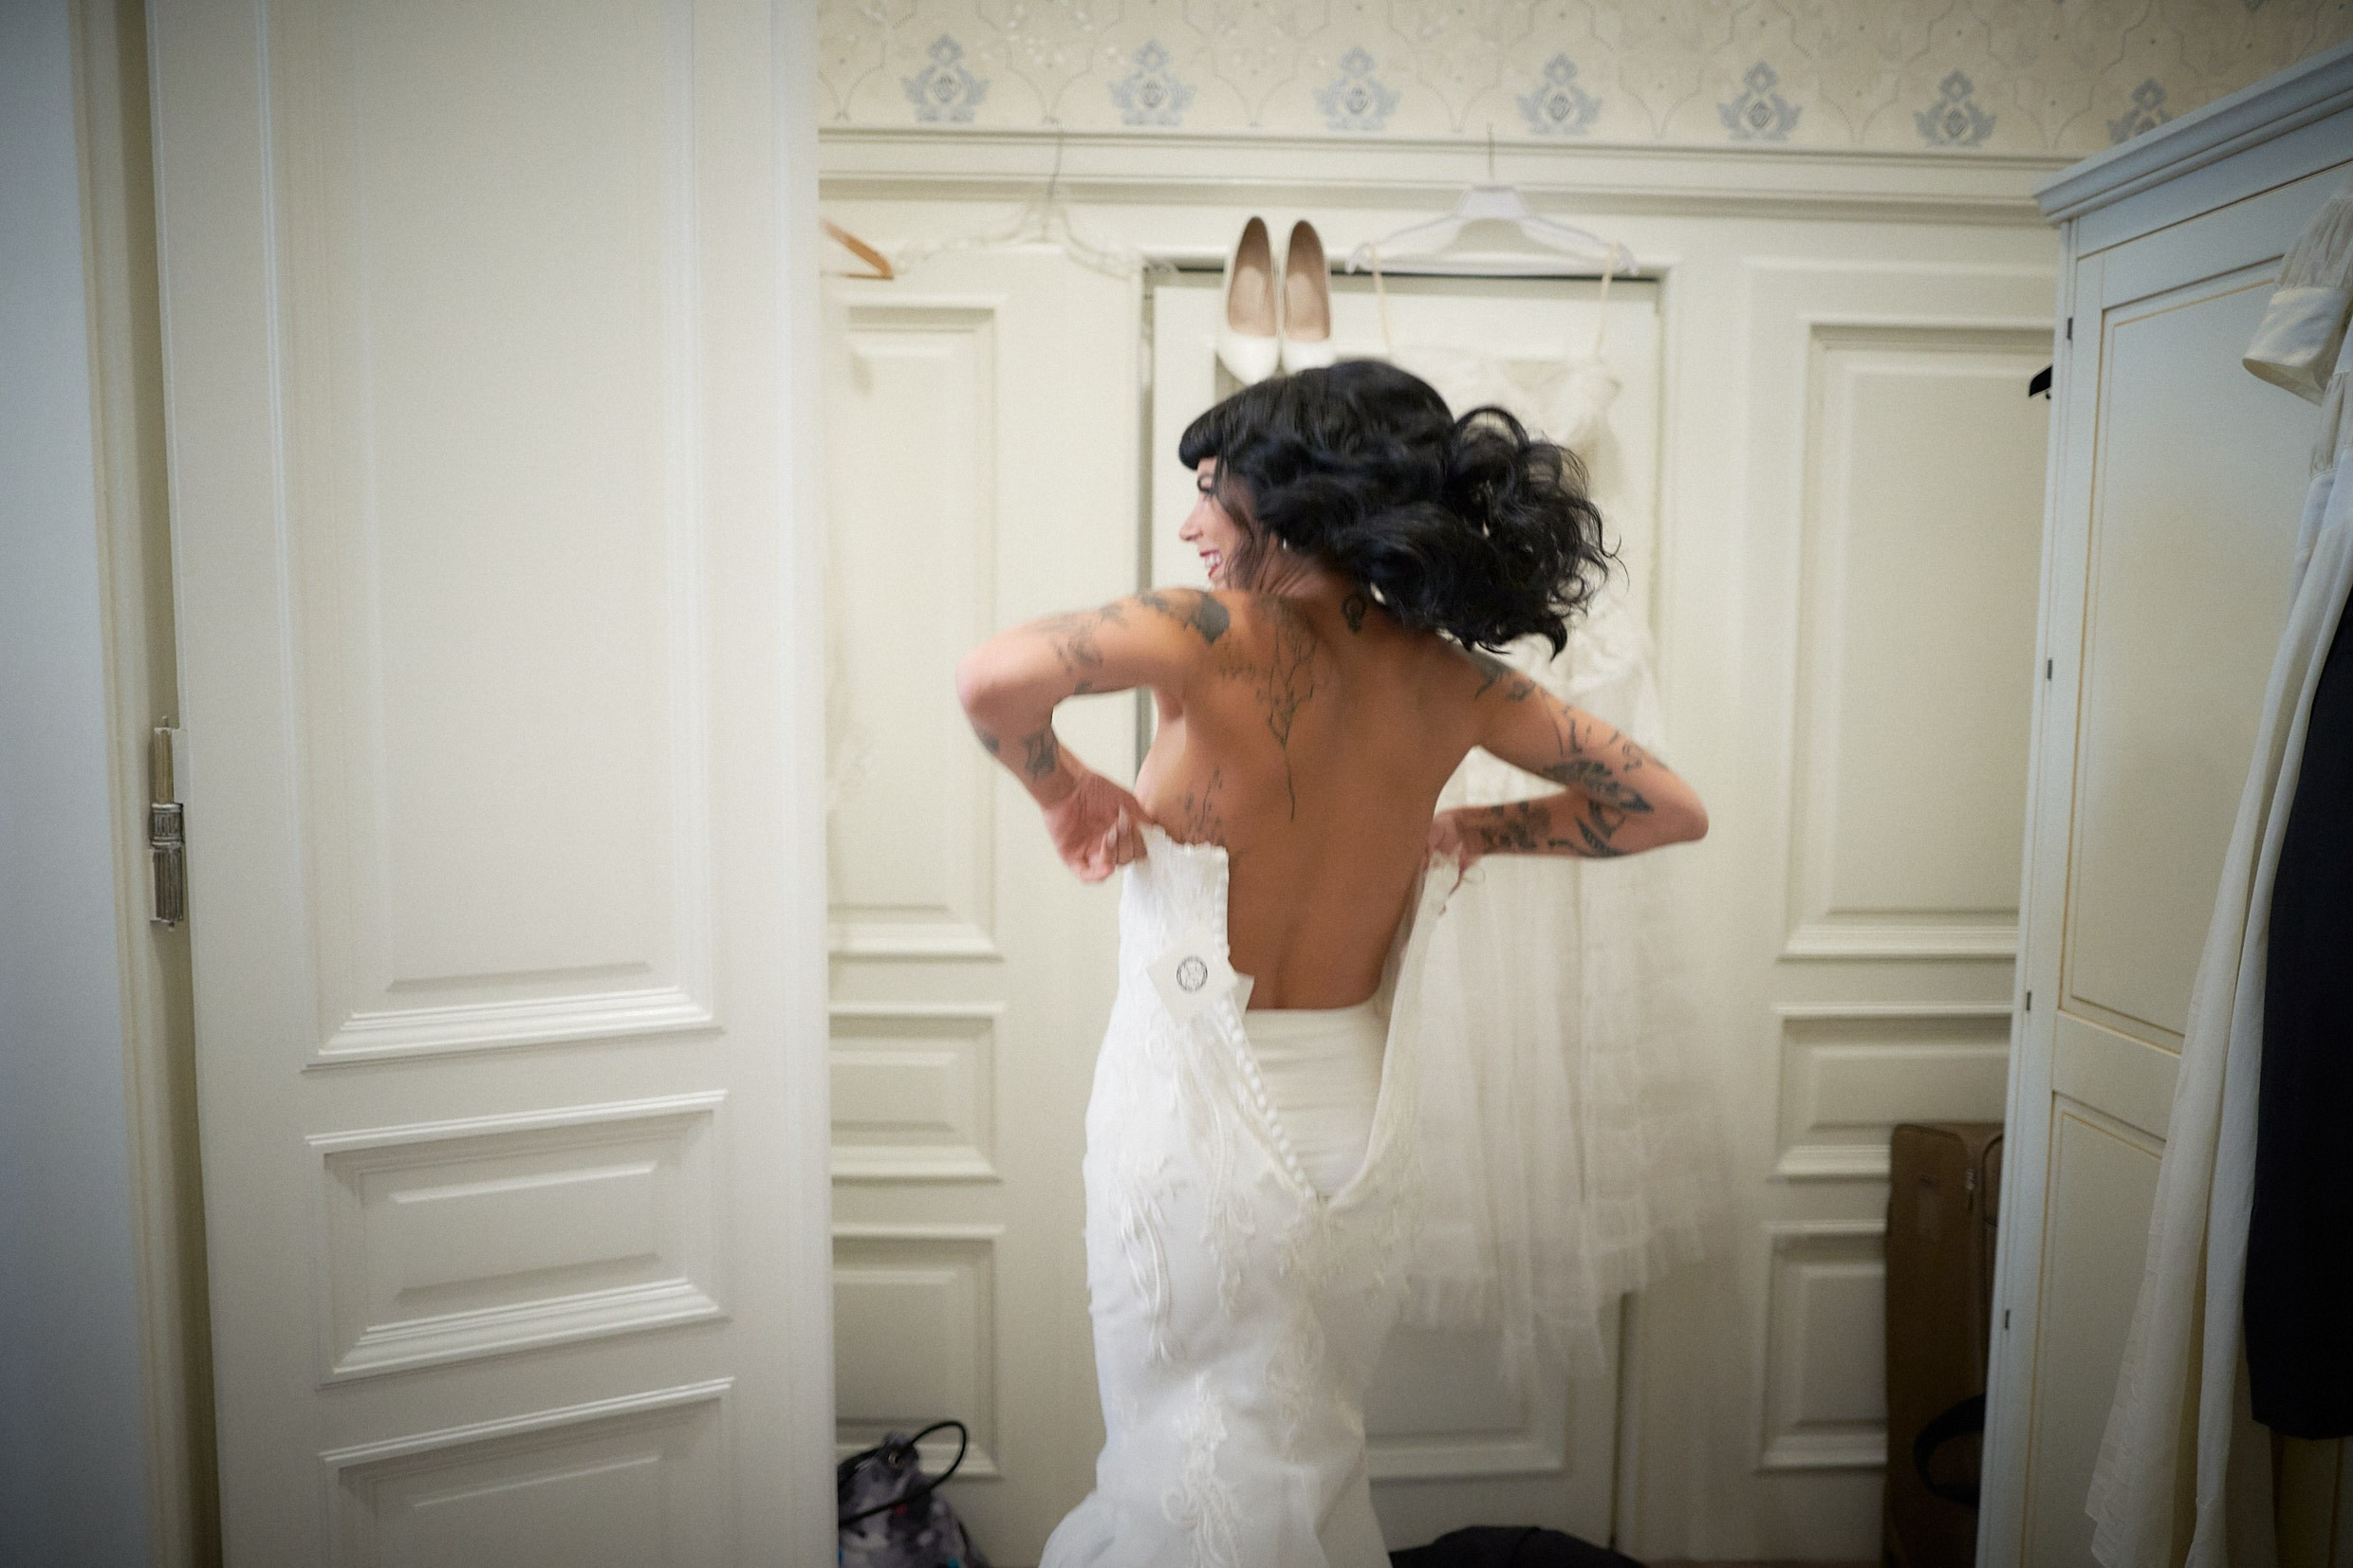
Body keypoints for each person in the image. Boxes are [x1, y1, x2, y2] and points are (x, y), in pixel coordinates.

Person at [954, 360, 1707, 1566]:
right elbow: (1666, 806)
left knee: (1177, 1456)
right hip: (1356, 1133)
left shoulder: (1212, 635)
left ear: (1295, 493)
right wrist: (1475, 829)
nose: (1192, 523)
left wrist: (1062, 790)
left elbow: (994, 680)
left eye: (1213, 489)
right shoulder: (1451, 678)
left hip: (1192, 1128)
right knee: (1302, 1442)